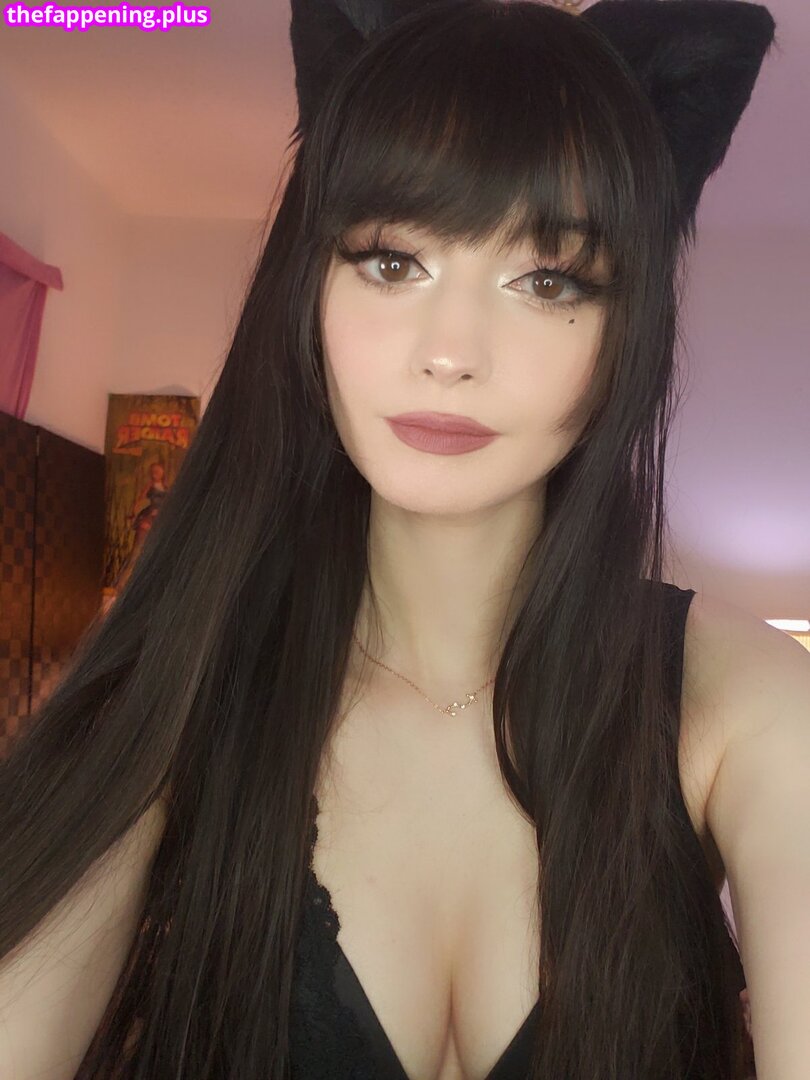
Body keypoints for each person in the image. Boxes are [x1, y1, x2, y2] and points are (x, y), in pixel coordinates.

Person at [2, 1, 808, 1078]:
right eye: (393, 262)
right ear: (311, 286)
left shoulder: (747, 703)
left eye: (548, 280)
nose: (450, 351)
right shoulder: (190, 690)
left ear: (628, 329)